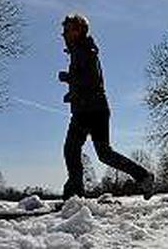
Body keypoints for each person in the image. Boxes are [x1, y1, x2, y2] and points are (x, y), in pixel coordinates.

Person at [58, 13, 154, 200]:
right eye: (64, 30)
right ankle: (143, 176)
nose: (64, 33)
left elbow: (91, 80)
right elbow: (90, 83)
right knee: (103, 154)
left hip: (90, 111)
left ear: (79, 30)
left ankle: (75, 196)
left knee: (71, 149)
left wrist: (69, 78)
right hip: (93, 109)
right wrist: (72, 94)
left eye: (67, 29)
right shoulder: (81, 50)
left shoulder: (85, 51)